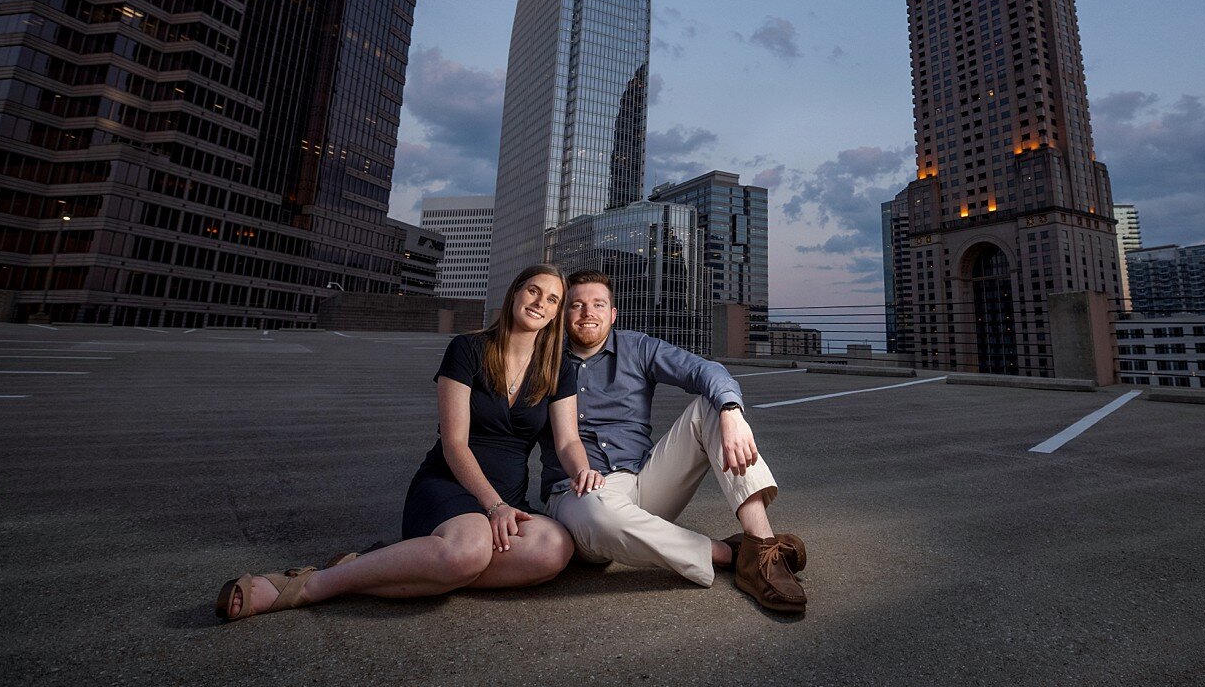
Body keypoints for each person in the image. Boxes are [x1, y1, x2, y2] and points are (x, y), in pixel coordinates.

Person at [215, 263, 604, 620]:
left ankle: (392, 564)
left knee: (553, 550)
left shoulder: (558, 369)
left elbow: (568, 440)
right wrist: (493, 505)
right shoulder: (467, 350)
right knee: (469, 550)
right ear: (515, 293)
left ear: (556, 313)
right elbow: (454, 443)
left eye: (552, 299)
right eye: (533, 291)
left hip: (509, 497)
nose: (540, 303)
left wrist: (583, 471)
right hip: (452, 485)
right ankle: (309, 586)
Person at [542, 270, 808, 613]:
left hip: (642, 481)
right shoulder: (544, 360)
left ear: (613, 313)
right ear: (563, 313)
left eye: (597, 304)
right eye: (576, 305)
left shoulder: (636, 347)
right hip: (576, 493)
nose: (587, 313)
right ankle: (732, 554)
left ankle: (762, 545)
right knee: (597, 513)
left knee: (710, 408)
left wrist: (730, 412)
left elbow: (703, 370)